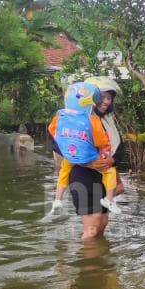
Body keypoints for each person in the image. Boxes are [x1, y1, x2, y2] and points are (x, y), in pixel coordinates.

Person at [48, 82, 121, 214]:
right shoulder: (92, 120)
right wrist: (105, 154)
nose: (105, 101)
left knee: (63, 173)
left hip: (72, 157)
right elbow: (102, 142)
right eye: (101, 98)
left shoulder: (62, 116)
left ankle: (58, 199)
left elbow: (53, 132)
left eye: (108, 98)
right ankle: (109, 200)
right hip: (86, 169)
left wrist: (70, 150)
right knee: (109, 172)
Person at [94, 88, 126, 196]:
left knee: (119, 188)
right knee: (96, 210)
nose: (107, 101)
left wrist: (112, 160)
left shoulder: (108, 119)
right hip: (92, 169)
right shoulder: (84, 119)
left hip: (108, 164)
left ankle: (103, 201)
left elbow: (120, 145)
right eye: (103, 97)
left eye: (109, 98)